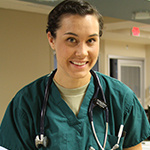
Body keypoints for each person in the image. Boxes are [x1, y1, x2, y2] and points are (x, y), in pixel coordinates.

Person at [0, 0, 150, 149]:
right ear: (51, 39)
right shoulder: (26, 104)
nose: (82, 52)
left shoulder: (122, 99)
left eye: (91, 40)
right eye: (71, 40)